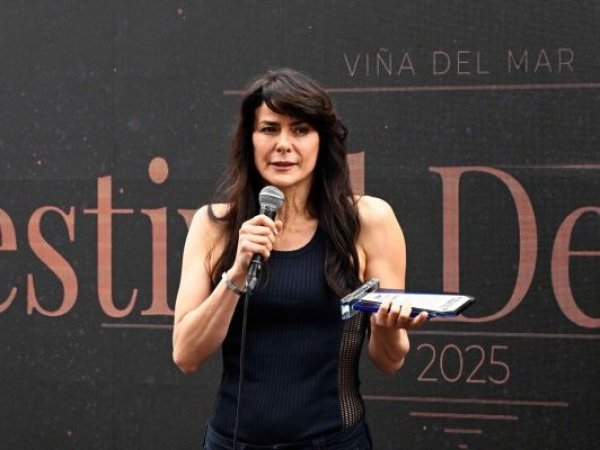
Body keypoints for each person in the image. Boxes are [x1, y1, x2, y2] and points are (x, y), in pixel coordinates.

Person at [172, 68, 428, 449]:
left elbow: (391, 361)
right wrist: (236, 275)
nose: (284, 145)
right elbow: (186, 355)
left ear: (322, 140)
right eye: (269, 129)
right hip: (231, 442)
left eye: (300, 130)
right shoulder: (214, 226)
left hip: (335, 441)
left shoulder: (368, 221)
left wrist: (388, 327)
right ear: (249, 139)